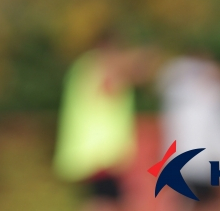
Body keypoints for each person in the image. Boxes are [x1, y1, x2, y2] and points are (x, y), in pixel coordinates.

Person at [53, 33, 155, 211]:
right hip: (99, 150)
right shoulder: (97, 66)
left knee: (103, 198)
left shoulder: (83, 66)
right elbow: (111, 84)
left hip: (95, 150)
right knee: (104, 201)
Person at [157, 54, 220, 209]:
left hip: (206, 165)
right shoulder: (188, 103)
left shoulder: (214, 105)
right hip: (193, 164)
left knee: (206, 201)